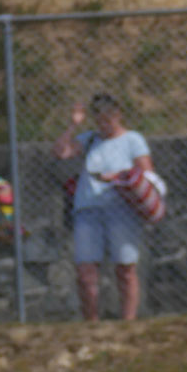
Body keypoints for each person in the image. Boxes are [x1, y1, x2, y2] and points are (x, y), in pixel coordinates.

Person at [54, 94, 154, 322]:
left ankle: (128, 321)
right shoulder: (89, 139)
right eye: (99, 119)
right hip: (88, 210)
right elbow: (60, 152)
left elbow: (147, 174)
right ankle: (91, 322)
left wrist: (118, 177)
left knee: (125, 269)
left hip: (121, 210)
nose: (104, 124)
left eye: (109, 118)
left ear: (118, 115)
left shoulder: (133, 140)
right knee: (86, 273)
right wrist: (73, 125)